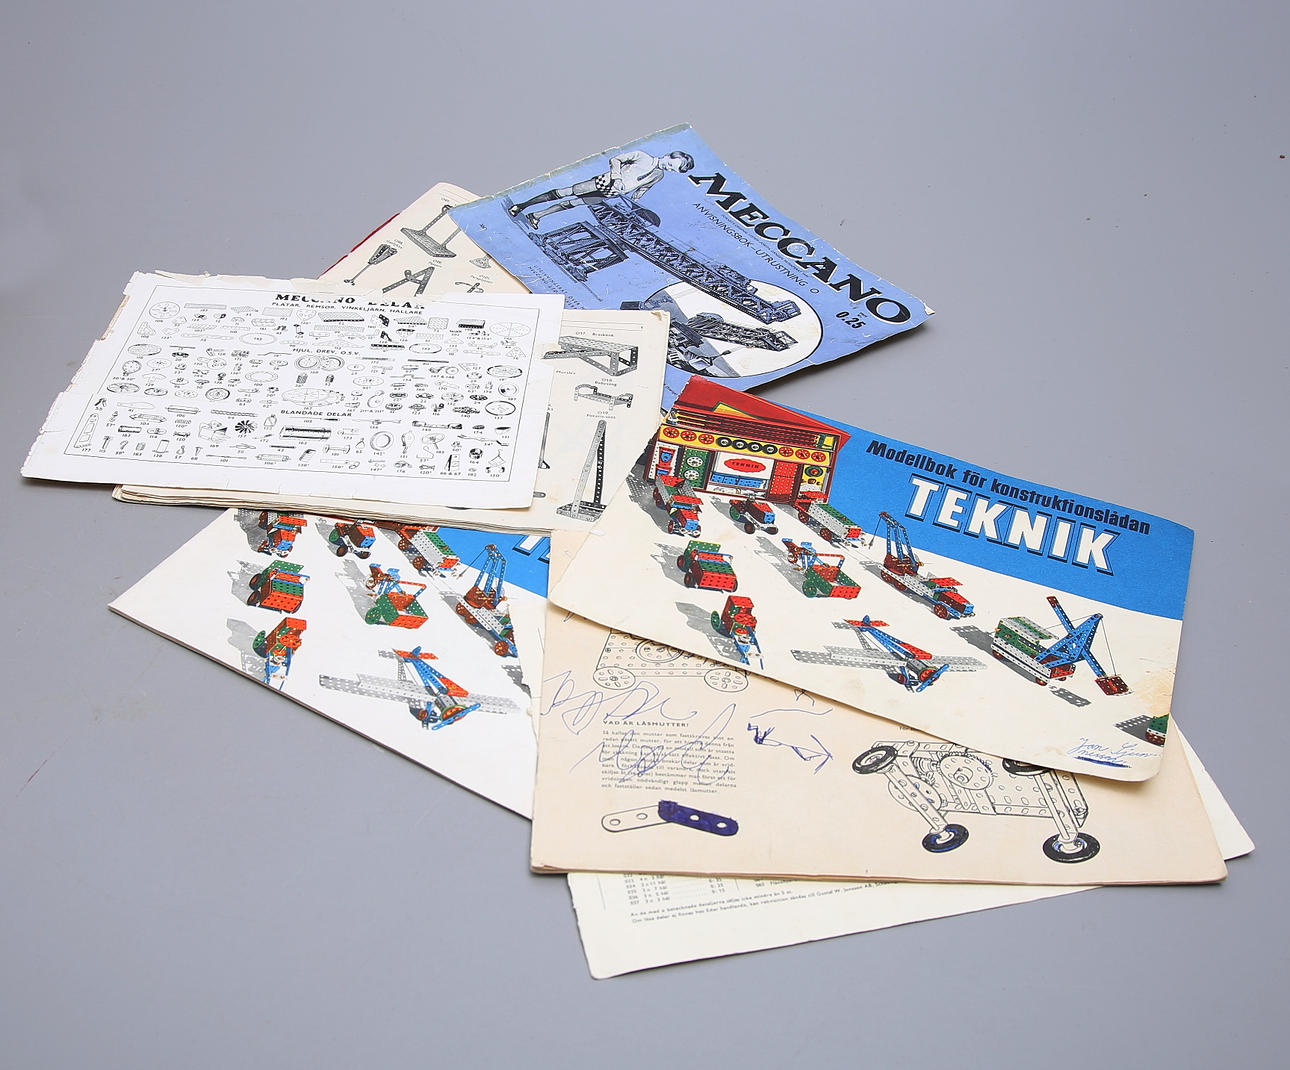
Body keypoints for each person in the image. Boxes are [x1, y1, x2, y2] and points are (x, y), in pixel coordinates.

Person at [507, 149, 695, 229]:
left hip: (610, 194)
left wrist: (635, 202)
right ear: (668, 156)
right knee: (562, 193)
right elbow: (615, 159)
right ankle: (521, 206)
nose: (669, 169)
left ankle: (536, 216)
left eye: (673, 170)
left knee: (571, 204)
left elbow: (643, 189)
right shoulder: (642, 156)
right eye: (671, 165)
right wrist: (617, 177)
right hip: (603, 183)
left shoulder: (659, 175)